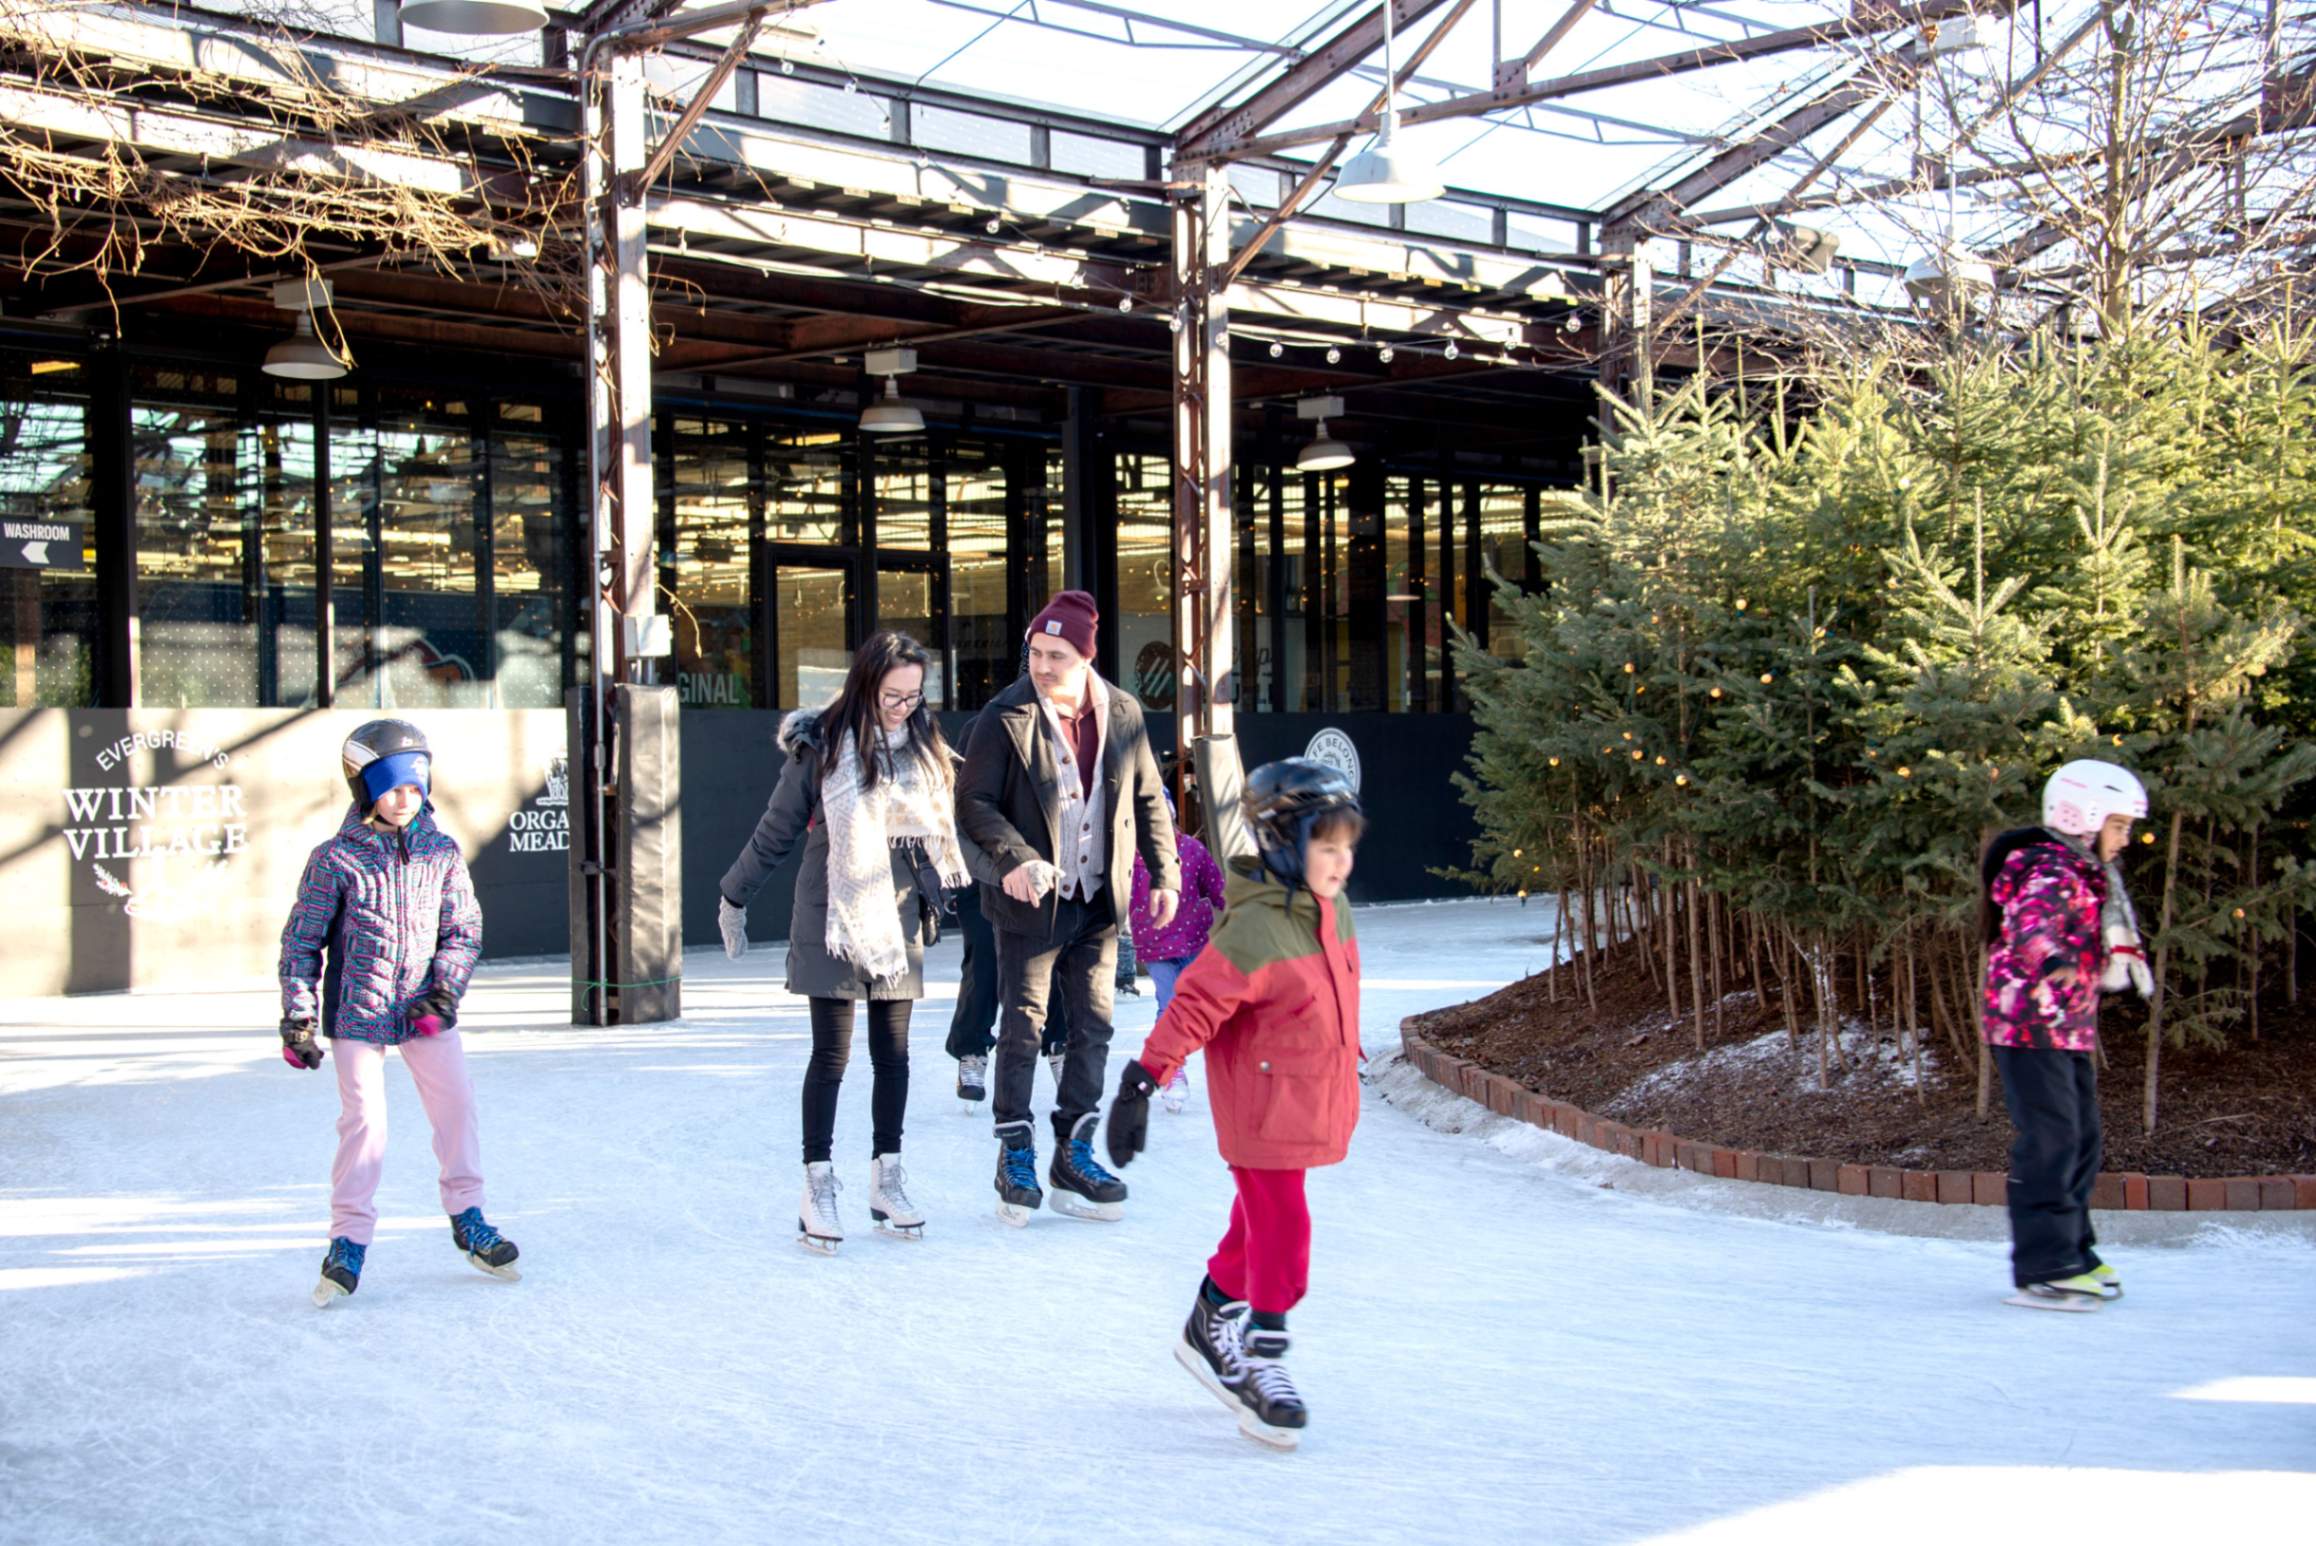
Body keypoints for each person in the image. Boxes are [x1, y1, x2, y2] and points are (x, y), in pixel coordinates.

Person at [1104, 759, 1363, 1449]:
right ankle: (1262, 1361)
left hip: (1309, 1095)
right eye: (1324, 845)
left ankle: (1209, 1318)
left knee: (1255, 1230)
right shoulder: (1251, 932)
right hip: (1262, 1104)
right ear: (1284, 843)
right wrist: (1142, 1081)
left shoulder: (1332, 910)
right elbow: (1191, 1007)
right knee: (1285, 1231)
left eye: (1347, 845)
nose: (1340, 862)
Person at [717, 631, 982, 1255]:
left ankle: (886, 1179)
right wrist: (734, 896)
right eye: (893, 695)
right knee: (831, 1058)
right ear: (866, 683)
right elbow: (776, 830)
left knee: (893, 1056)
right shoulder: (822, 746)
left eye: (914, 697)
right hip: (831, 915)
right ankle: (818, 1186)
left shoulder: (925, 749)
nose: (904, 708)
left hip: (897, 915)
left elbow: (955, 828)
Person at [956, 589, 1180, 1225]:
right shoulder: (1006, 715)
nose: (1042, 665)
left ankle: (1073, 1152)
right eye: (1035, 652)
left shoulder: (1125, 712)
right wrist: (1017, 858)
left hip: (1098, 901)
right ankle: (1015, 1151)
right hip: (1031, 901)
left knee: (1094, 1028)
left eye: (1056, 655)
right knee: (1023, 1027)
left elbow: (1147, 800)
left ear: (1086, 656)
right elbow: (973, 804)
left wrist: (1162, 873)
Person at [278, 718, 508, 1308]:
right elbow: (302, 943)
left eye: (417, 786)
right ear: (365, 788)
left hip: (425, 1009)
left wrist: (444, 993)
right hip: (358, 1010)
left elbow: (463, 932)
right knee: (365, 1125)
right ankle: (348, 1240)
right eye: (394, 787)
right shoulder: (334, 860)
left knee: (457, 1107)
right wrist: (299, 1018)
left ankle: (468, 1215)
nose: (407, 798)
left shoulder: (441, 852)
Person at [1979, 758, 2152, 1312]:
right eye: (2120, 826)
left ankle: (2075, 1251)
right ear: (2086, 816)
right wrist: (2050, 957)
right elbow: (2028, 922)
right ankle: (2045, 1265)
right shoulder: (2048, 868)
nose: (2126, 839)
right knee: (2051, 1141)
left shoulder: (2085, 871)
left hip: (2066, 1027)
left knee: (2081, 1140)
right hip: (2027, 1023)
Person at [947, 709, 1071, 1106]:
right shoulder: (974, 746)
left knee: (1048, 957)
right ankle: (973, 1050)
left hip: (1038, 873)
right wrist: (995, 869)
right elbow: (960, 823)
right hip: (984, 875)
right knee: (985, 958)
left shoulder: (1047, 748)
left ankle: (1058, 1043)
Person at [1129, 785, 1229, 1113]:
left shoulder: (1192, 850)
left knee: (1205, 1008)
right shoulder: (1130, 859)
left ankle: (1236, 1069)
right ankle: (1173, 1072)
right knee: (1169, 1005)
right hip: (1157, 948)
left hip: (1195, 943)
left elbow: (1217, 888)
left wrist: (1241, 909)